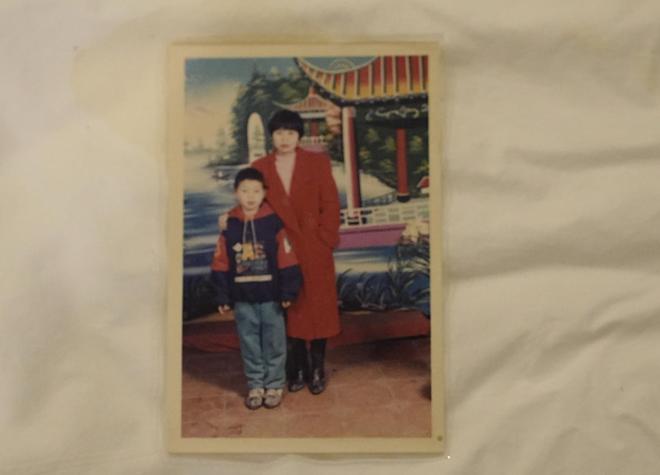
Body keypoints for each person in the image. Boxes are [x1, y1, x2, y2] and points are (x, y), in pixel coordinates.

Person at [238, 109, 341, 395]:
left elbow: (331, 203)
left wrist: (326, 238)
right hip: (279, 248)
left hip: (314, 246)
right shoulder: (260, 167)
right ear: (271, 136)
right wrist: (231, 217)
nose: (285, 138)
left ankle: (317, 368)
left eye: (291, 133)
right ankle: (296, 367)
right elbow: (250, 202)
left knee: (318, 307)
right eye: (279, 133)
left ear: (299, 136)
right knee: (287, 307)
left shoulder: (317, 162)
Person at [211, 167, 302, 410]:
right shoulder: (229, 225)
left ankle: (274, 384)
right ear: (236, 193)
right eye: (244, 191)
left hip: (271, 297)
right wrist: (222, 296)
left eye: (256, 191)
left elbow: (287, 258)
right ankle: (255, 384)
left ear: (264, 193)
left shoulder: (273, 223)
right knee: (249, 342)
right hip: (242, 298)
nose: (250, 196)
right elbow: (220, 262)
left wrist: (288, 292)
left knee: (274, 342)